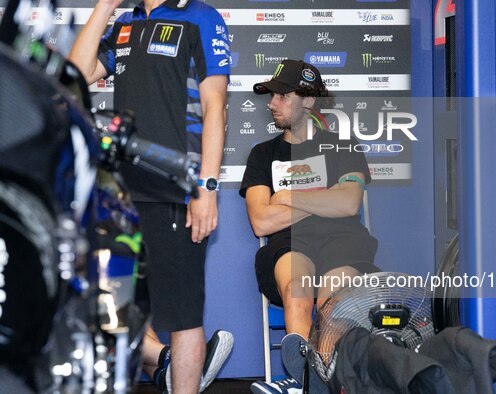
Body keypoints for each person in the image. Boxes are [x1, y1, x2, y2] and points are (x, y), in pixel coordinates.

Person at [69, 0, 233, 393]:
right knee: (111, 309)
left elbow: (216, 107)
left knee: (182, 315)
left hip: (177, 190)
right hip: (120, 195)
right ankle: (149, 368)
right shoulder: (125, 23)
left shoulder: (200, 18)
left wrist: (206, 188)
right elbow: (76, 74)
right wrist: (105, 6)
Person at [239, 59, 379, 394]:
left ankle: (318, 379)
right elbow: (261, 221)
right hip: (289, 244)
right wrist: (322, 199)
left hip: (344, 243)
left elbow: (348, 203)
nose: (272, 103)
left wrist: (287, 195)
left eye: (282, 95)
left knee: (332, 298)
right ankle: (306, 381)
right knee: (298, 287)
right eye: (271, 96)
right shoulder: (263, 154)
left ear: (308, 100)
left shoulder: (343, 145)